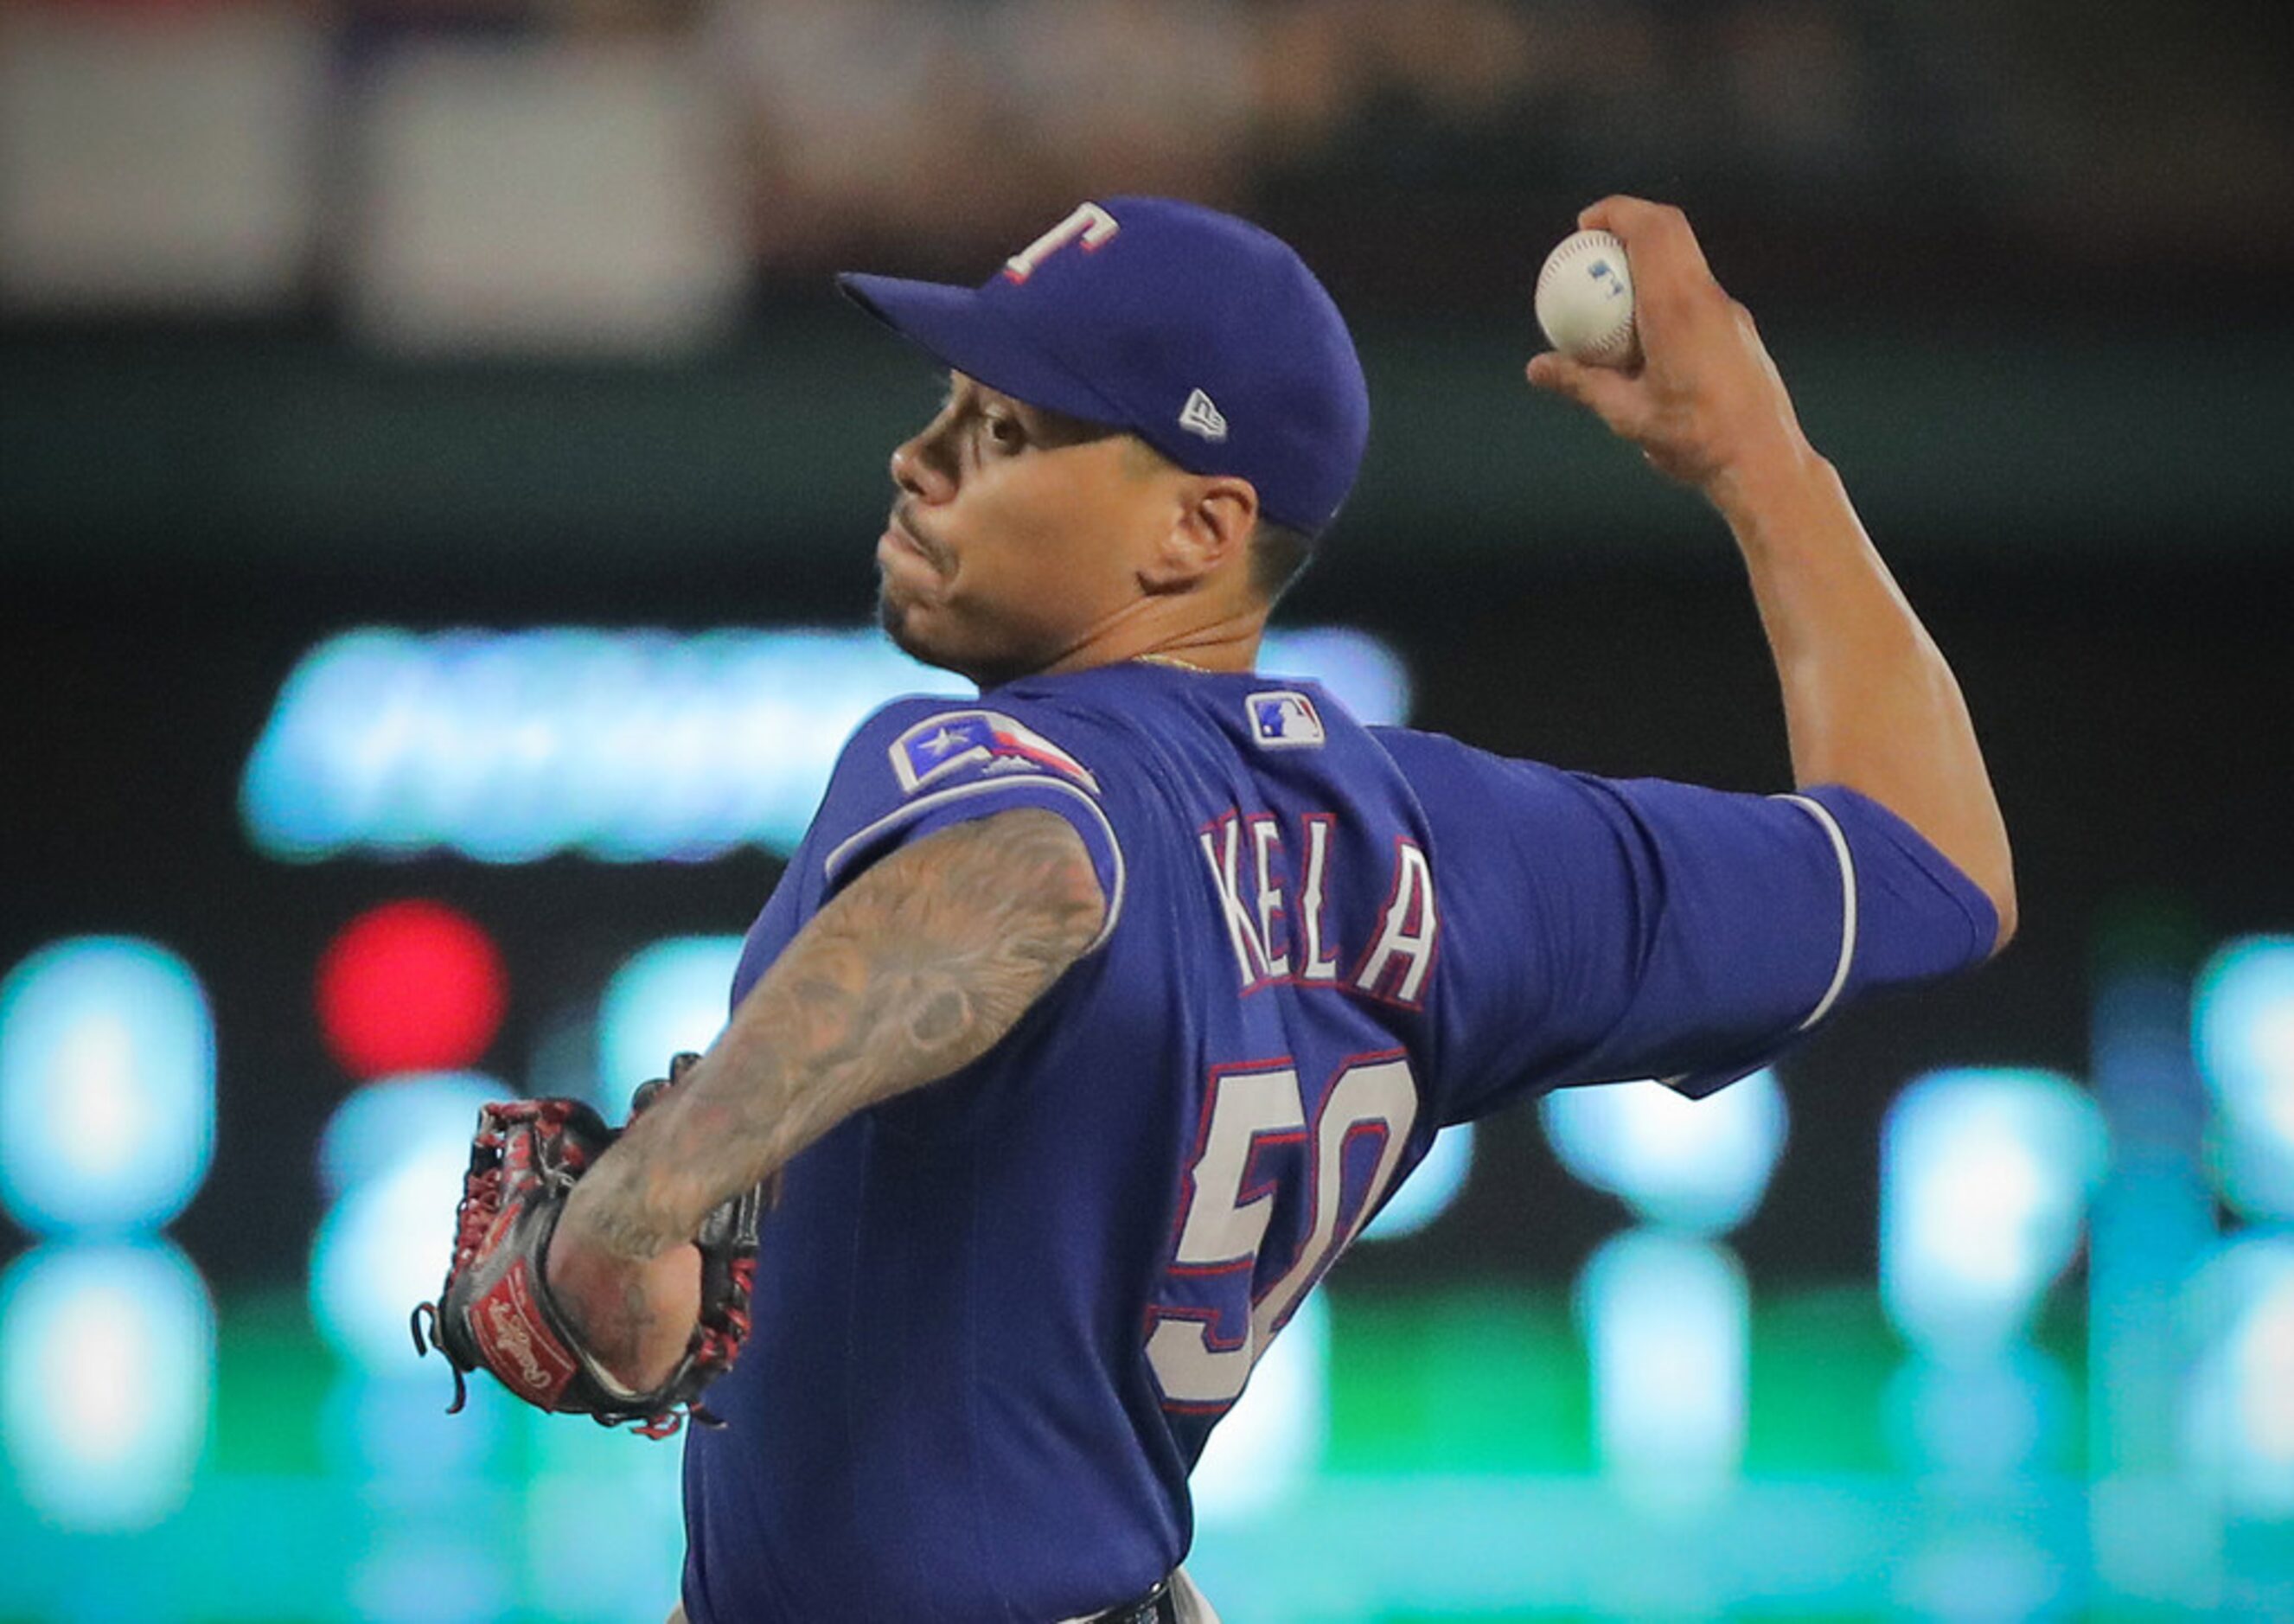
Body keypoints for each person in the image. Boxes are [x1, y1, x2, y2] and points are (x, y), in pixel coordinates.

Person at [539, 194, 2016, 1623]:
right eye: (944, 406)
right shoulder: (1455, 846)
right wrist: (1756, 455)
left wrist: (635, 1203)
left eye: (1002, 430)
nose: (920, 461)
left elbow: (1033, 880)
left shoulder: (982, 768)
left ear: (1197, 529)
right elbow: (1930, 865)